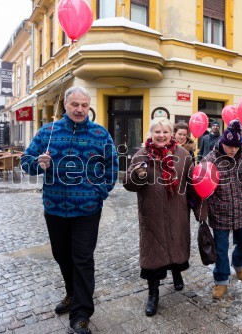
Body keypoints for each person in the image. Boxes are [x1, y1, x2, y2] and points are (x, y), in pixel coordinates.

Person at [21, 86, 118, 334]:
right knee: (62, 256)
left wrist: (100, 192)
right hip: (55, 208)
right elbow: (26, 162)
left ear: (89, 107)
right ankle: (72, 294)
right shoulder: (48, 132)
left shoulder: (100, 134)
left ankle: (81, 313)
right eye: (75, 104)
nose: (80, 109)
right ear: (65, 105)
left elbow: (113, 165)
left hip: (87, 210)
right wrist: (37, 163)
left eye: (84, 105)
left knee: (83, 259)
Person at [123, 118, 194, 316]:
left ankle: (177, 273)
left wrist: (198, 206)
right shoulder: (141, 155)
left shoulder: (183, 155)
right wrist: (137, 175)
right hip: (151, 214)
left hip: (176, 212)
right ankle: (153, 294)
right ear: (151, 133)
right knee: (153, 255)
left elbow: (192, 183)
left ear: (171, 134)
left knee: (176, 245)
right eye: (157, 131)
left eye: (165, 131)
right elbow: (128, 184)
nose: (161, 135)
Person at [196, 120, 242, 299]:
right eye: (229, 146)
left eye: (236, 146)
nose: (232, 150)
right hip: (220, 211)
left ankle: (238, 264)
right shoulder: (210, 158)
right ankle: (221, 280)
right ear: (222, 142)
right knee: (221, 249)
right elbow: (201, 181)